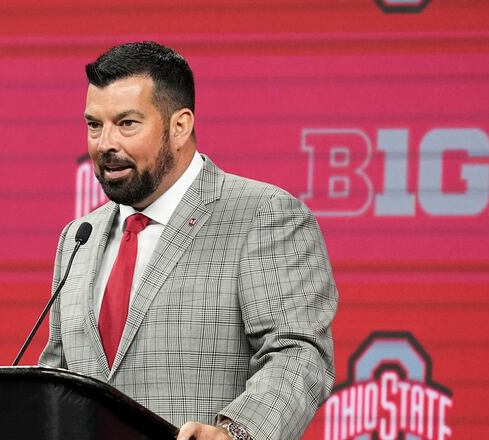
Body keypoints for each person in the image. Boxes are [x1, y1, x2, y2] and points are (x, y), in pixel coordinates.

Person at [39, 41, 337, 440]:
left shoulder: (262, 215)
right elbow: (56, 383)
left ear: (180, 126)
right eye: (95, 124)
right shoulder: (79, 239)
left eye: (127, 123)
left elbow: (298, 355)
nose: (104, 143)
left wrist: (236, 434)